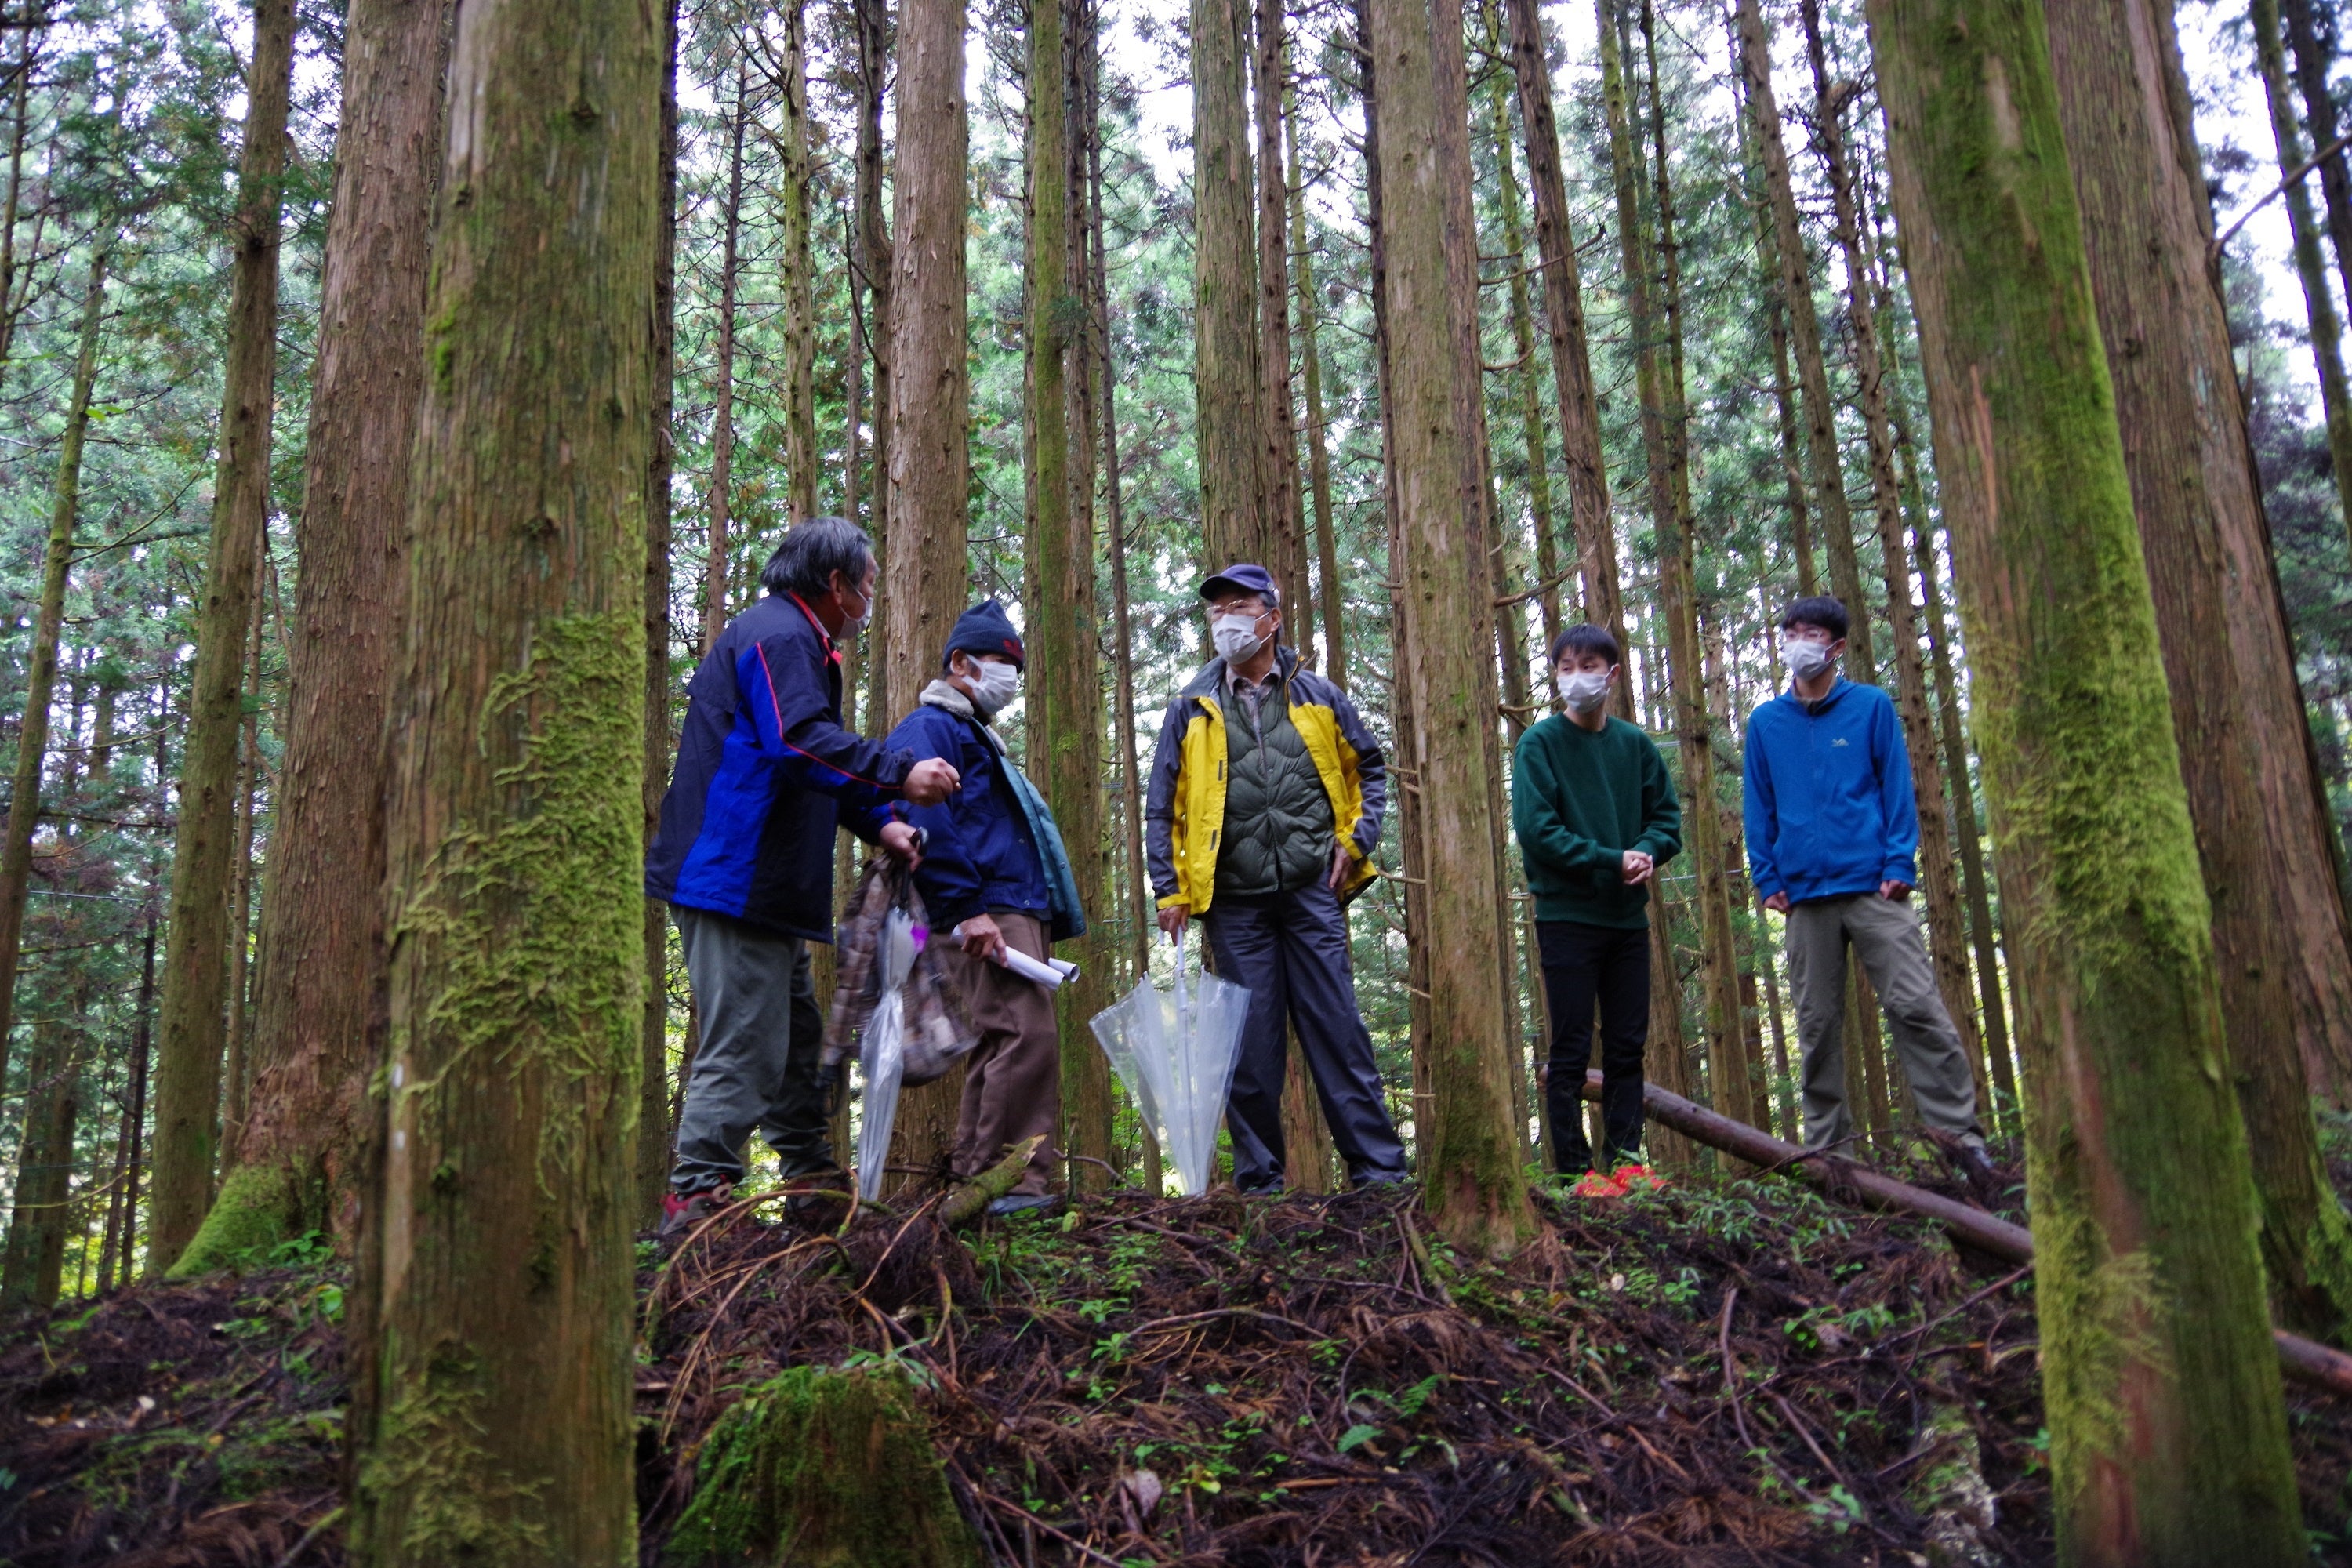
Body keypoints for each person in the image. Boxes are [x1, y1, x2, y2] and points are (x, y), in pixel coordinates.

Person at [646, 517, 962, 1234]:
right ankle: (697, 1206)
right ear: (836, 585)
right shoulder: (780, 635)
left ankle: (813, 1189)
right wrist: (897, 773)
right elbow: (796, 742)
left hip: (768, 888)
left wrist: (876, 819)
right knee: (747, 1046)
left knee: (795, 1042)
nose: (872, 600)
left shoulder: (802, 642)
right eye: (869, 586)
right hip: (731, 880)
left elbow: (806, 756)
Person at [1145, 563, 1408, 1193]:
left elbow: (1370, 770)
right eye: (1215, 611)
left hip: (1312, 891)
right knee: (1250, 1048)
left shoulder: (1317, 694)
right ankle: (1261, 1186)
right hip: (1234, 902)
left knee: (1337, 1030)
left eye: (1238, 606)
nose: (1226, 620)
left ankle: (1378, 1175)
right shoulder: (1191, 707)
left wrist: (1356, 839)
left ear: (1272, 616)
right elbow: (1162, 805)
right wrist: (1169, 888)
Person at [1742, 595, 1993, 1177]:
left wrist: (1899, 864)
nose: (1798, 643)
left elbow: (1897, 790)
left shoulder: (1871, 708)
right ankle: (1830, 1161)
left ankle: (1962, 1143)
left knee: (1915, 1006)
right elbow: (1761, 808)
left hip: (1875, 889)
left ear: (1836, 647)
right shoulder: (1766, 724)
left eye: (1810, 633)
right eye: (1790, 632)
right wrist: (1767, 876)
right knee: (1817, 1026)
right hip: (1804, 896)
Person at [886, 601, 1087, 1216]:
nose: (1010, 680)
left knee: (1002, 1038)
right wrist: (968, 909)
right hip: (984, 909)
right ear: (960, 663)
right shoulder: (931, 728)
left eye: (1015, 670)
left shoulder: (973, 734)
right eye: (1001, 664)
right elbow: (922, 816)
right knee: (1026, 1033)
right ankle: (1013, 1184)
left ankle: (980, 1184)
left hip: (1007, 906)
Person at [1511, 624, 1680, 1191]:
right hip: (1566, 917)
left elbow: (1667, 821)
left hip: (1627, 919)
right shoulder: (1539, 744)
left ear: (1612, 675)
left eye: (1588, 666)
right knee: (1572, 1046)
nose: (1576, 677)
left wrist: (1647, 853)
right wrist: (1613, 858)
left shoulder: (1634, 745)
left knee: (1629, 1045)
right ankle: (1575, 1171)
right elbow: (1538, 831)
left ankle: (1627, 1162)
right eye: (1565, 667)